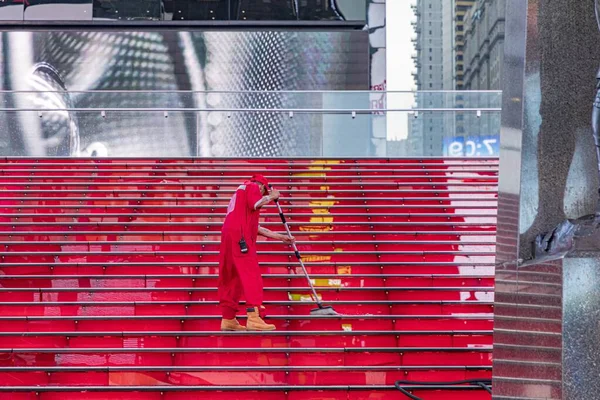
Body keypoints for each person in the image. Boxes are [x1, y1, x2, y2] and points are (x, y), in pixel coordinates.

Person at [218, 174, 295, 331]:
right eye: (264, 192)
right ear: (262, 186)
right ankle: (253, 316)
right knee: (251, 275)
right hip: (240, 238)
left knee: (232, 278)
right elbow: (257, 203)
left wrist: (279, 237)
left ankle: (228, 319)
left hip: (229, 237)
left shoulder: (239, 195)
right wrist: (272, 197)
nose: (263, 195)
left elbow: (255, 228)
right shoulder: (252, 187)